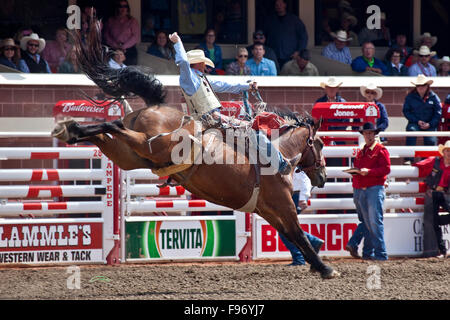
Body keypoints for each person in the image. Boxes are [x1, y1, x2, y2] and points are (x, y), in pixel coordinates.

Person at [169, 32, 297, 175]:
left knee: (252, 129)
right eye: (203, 62)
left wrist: (246, 86)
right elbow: (184, 63)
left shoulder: (201, 78)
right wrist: (178, 42)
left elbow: (225, 85)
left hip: (212, 118)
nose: (205, 64)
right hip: (210, 119)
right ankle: (280, 164)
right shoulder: (189, 78)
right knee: (254, 132)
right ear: (200, 63)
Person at [349, 122, 391, 261]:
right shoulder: (363, 151)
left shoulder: (380, 150)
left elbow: (386, 169)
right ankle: (370, 253)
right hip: (364, 188)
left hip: (372, 188)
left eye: (370, 133)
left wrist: (369, 172)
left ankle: (380, 254)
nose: (368, 135)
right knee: (370, 222)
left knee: (373, 222)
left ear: (374, 134)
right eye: (366, 133)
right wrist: (357, 172)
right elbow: (384, 169)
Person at [412, 140, 450, 258]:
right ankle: (437, 251)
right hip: (433, 193)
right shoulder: (434, 161)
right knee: (430, 221)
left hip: (446, 194)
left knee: (433, 221)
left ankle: (438, 222)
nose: (449, 153)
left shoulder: (435, 161)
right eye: (447, 151)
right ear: (443, 152)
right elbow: (417, 167)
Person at [279, 170, 324, 266]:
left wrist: (303, 198)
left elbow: (305, 179)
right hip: (293, 194)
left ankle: (300, 257)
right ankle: (312, 242)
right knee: (286, 227)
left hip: (296, 194)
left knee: (285, 228)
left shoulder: (297, 160)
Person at [403, 75, 442, 164]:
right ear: (416, 86)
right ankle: (409, 159)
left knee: (431, 140)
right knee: (411, 131)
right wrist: (417, 121)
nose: (420, 87)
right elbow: (406, 111)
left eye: (423, 85)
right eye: (418, 85)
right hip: (415, 122)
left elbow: (438, 113)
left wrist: (430, 124)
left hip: (430, 124)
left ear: (427, 86)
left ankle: (427, 161)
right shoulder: (410, 97)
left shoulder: (434, 97)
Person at [264, 0, 308, 68]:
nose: (279, 6)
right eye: (277, 5)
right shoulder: (270, 20)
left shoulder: (294, 20)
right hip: (273, 55)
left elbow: (303, 37)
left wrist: (298, 51)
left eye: (281, 4)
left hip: (290, 56)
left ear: (285, 5)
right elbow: (263, 37)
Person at [103, 0, 139, 66]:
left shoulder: (132, 21)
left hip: (129, 50)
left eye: (125, 6)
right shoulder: (110, 20)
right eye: (120, 6)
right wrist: (115, 46)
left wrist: (123, 47)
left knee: (129, 72)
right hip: (113, 49)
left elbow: (135, 37)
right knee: (113, 71)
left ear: (127, 8)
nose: (123, 9)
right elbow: (106, 35)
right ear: (117, 8)